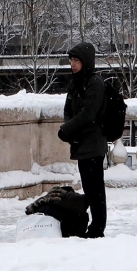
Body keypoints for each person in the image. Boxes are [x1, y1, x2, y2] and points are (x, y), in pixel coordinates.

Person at [57, 42, 107, 239]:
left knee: (96, 189)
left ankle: (97, 228)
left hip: (93, 143)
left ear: (85, 61)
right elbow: (69, 109)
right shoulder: (76, 81)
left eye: (76, 60)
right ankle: (93, 227)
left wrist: (68, 128)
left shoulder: (94, 82)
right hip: (82, 143)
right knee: (89, 187)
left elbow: (89, 113)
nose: (73, 64)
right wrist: (69, 129)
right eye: (71, 60)